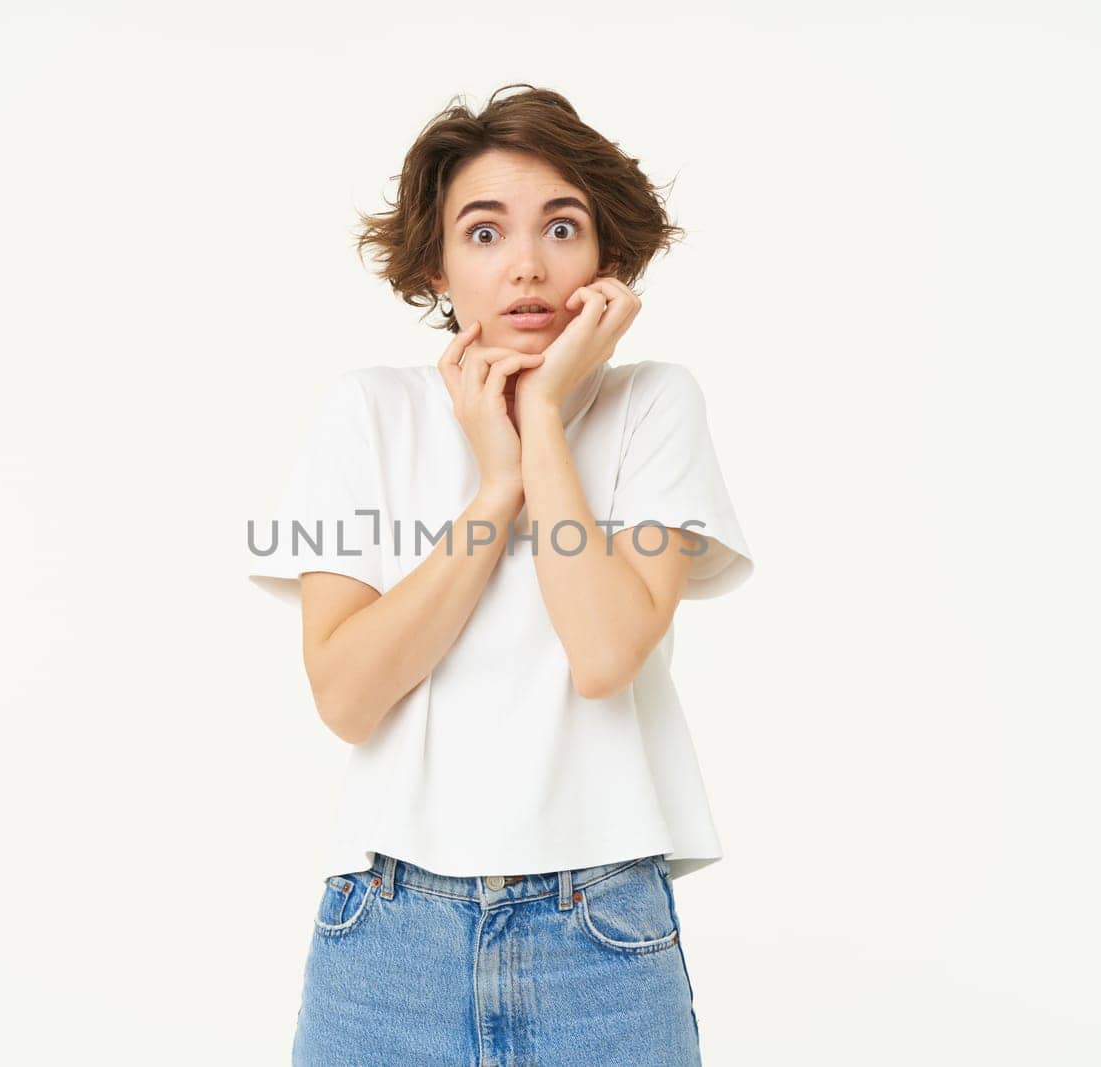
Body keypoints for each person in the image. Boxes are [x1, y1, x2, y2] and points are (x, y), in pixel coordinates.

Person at [247, 83, 755, 1066]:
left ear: (607, 256)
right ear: (436, 265)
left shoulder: (654, 405)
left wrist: (542, 422)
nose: (525, 263)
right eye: (484, 233)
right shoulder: (368, 413)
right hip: (387, 932)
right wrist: (494, 490)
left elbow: (604, 651)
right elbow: (347, 695)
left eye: (560, 227)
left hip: (599, 931)